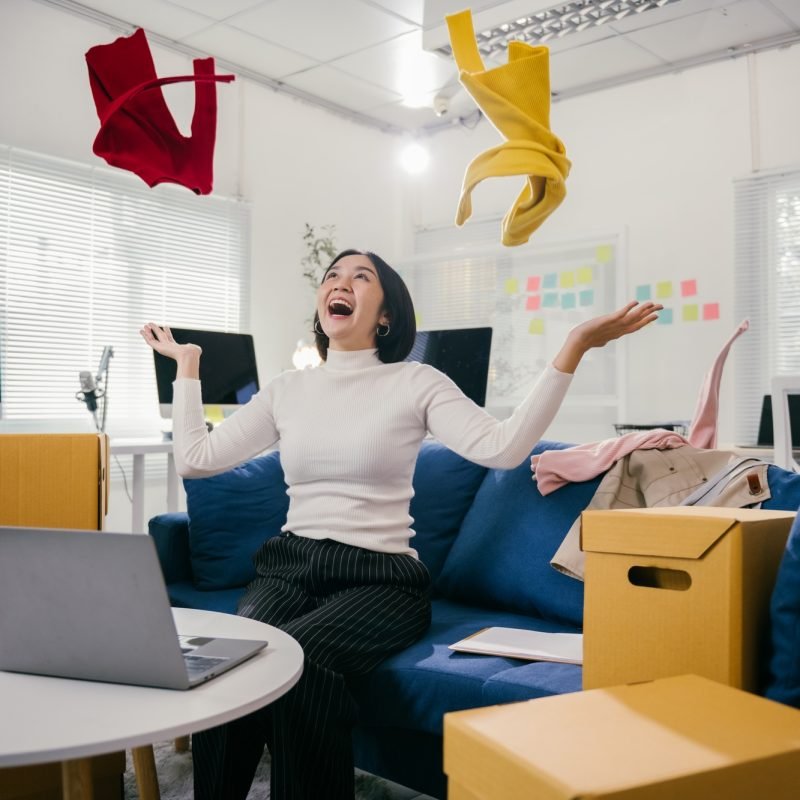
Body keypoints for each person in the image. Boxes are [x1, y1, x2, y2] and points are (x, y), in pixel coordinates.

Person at [141, 248, 660, 800]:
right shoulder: (287, 391)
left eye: (360, 277)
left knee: (302, 659)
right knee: (234, 657)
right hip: (288, 566)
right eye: (332, 276)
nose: (341, 284)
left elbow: (503, 448)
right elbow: (196, 458)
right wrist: (188, 367)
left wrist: (572, 348)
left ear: (385, 315)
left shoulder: (416, 382)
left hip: (382, 577)